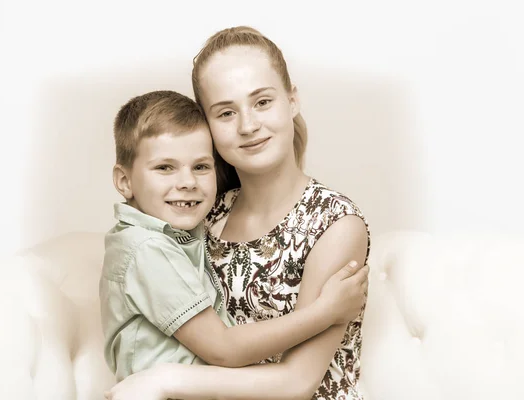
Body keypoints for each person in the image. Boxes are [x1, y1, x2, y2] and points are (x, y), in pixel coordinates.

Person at [105, 26, 371, 400]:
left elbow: (298, 383)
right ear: (207, 126)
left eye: (262, 102)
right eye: (226, 112)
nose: (248, 126)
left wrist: (164, 380)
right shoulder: (203, 212)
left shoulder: (334, 223)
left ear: (292, 101)